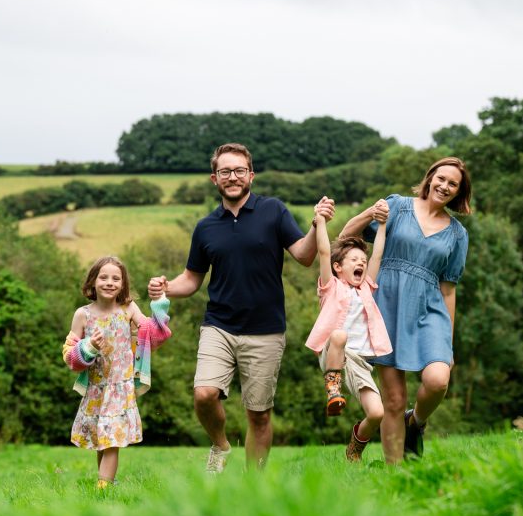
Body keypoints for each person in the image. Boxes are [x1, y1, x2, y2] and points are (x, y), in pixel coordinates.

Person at [148, 142, 335, 472]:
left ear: (251, 175)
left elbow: (305, 256)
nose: (232, 177)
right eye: (224, 171)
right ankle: (220, 446)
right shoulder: (206, 227)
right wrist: (165, 288)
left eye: (238, 171)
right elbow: (191, 279)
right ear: (214, 179)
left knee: (259, 414)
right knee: (204, 394)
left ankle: (253, 487)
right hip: (218, 325)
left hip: (266, 330)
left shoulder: (273, 211)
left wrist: (316, 224)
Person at [340, 157, 471, 463]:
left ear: (458, 192)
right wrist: (371, 211)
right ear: (430, 178)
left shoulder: (457, 234)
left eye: (453, 184)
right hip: (386, 306)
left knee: (438, 379)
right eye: (441, 179)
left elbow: (449, 288)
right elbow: (347, 235)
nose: (444, 186)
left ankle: (417, 422)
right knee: (394, 401)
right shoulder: (397, 206)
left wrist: (448, 344)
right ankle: (395, 471)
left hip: (430, 310)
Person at [63, 256, 172, 489]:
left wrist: (160, 303)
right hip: (95, 388)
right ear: (93, 282)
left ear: (123, 284)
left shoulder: (128, 308)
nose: (110, 282)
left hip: (120, 387)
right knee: (102, 439)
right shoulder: (83, 315)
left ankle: (102, 488)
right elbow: (70, 356)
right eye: (103, 277)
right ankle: (107, 485)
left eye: (116, 278)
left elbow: (152, 334)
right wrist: (89, 346)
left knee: (111, 439)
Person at [305, 200, 392, 462]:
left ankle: (355, 448)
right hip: (333, 352)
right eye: (354, 259)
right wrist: (320, 221)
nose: (361, 263)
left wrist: (383, 226)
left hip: (359, 362)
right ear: (337, 267)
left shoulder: (366, 287)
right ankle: (333, 388)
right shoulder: (331, 287)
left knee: (377, 413)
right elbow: (322, 251)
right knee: (339, 335)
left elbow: (377, 255)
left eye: (362, 261)